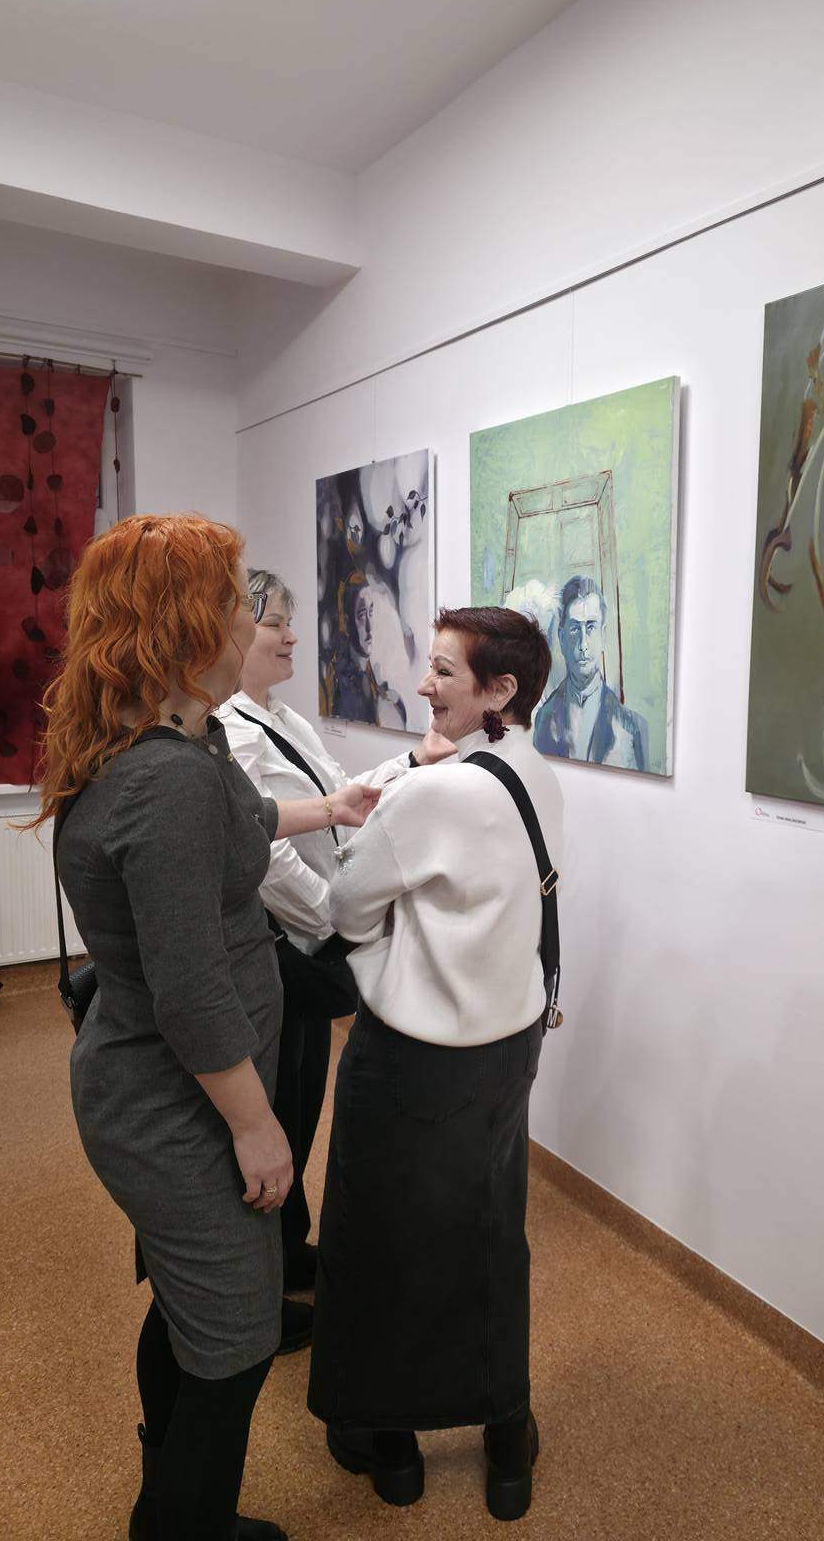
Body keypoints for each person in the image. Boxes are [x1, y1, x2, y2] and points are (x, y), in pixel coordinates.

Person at [32, 514, 378, 1541]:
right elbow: (187, 990)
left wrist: (337, 807)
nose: (251, 622)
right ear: (186, 627)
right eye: (236, 605)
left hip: (170, 1086)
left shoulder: (180, 742)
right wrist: (257, 1126)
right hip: (174, 1102)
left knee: (190, 1304)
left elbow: (249, 821)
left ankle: (166, 1510)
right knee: (233, 1338)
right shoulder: (168, 778)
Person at [308, 606, 563, 1523]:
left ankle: (393, 1448)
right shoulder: (535, 772)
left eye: (446, 671)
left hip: (412, 1060)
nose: (424, 684)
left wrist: (386, 941)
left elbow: (344, 906)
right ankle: (507, 1438)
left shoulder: (435, 794)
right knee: (491, 1235)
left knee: (381, 1242)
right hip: (508, 1049)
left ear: (502, 689)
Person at [216, 568, 453, 1316]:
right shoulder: (230, 731)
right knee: (277, 1111)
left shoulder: (280, 717)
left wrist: (409, 764)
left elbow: (338, 796)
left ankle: (287, 1246)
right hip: (283, 951)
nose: (293, 637)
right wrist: (332, 912)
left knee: (300, 1105)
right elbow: (260, 851)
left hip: (312, 946)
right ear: (234, 633)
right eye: (276, 625)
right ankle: (261, 1279)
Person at [533, 575, 649, 770]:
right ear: (562, 638)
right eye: (574, 629)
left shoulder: (632, 727)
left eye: (591, 627)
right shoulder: (544, 718)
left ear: (603, 636)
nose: (583, 645)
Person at [331, 575, 409, 728]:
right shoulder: (344, 683)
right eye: (361, 616)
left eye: (370, 612)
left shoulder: (369, 675)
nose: (369, 627)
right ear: (346, 622)